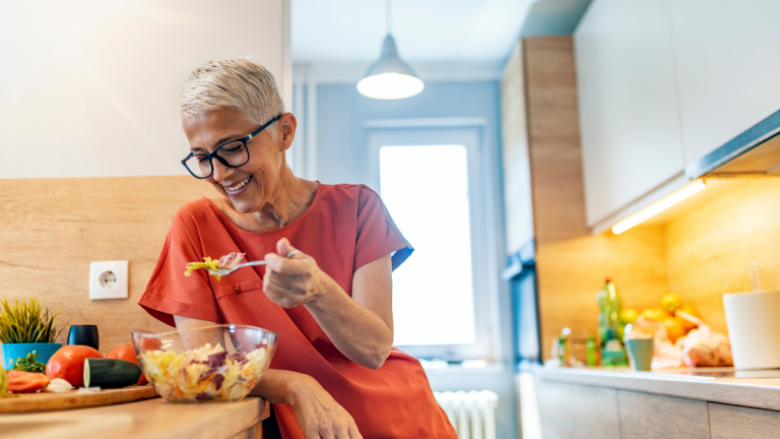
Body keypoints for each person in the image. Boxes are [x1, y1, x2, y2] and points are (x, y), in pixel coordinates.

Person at [138, 58, 457, 439]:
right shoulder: (195, 226)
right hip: (299, 422)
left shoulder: (358, 207)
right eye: (203, 158)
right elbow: (208, 367)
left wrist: (318, 291)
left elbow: (373, 350)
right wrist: (294, 385)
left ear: (284, 132)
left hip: (400, 415)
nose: (220, 174)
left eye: (233, 148)